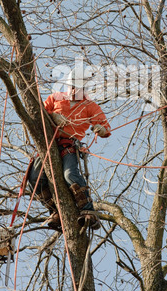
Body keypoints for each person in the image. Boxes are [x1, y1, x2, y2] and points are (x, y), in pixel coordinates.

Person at [28, 67, 111, 231]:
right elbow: (38, 112)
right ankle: (55, 211)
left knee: (70, 174)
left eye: (78, 88)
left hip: (68, 144)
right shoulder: (55, 99)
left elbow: (104, 125)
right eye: (72, 86)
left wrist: (101, 129)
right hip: (48, 144)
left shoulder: (89, 106)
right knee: (34, 179)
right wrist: (53, 116)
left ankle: (87, 209)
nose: (74, 90)